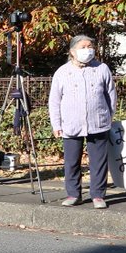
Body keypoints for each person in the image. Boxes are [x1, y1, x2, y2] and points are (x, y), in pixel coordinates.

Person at [49, 35, 116, 209]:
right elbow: (54, 101)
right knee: (71, 161)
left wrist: (108, 117)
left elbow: (111, 96)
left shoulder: (102, 69)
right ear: (72, 51)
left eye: (90, 46)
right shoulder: (62, 72)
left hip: (98, 122)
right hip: (71, 123)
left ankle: (98, 195)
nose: (88, 50)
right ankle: (73, 194)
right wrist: (56, 124)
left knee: (99, 161)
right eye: (83, 46)